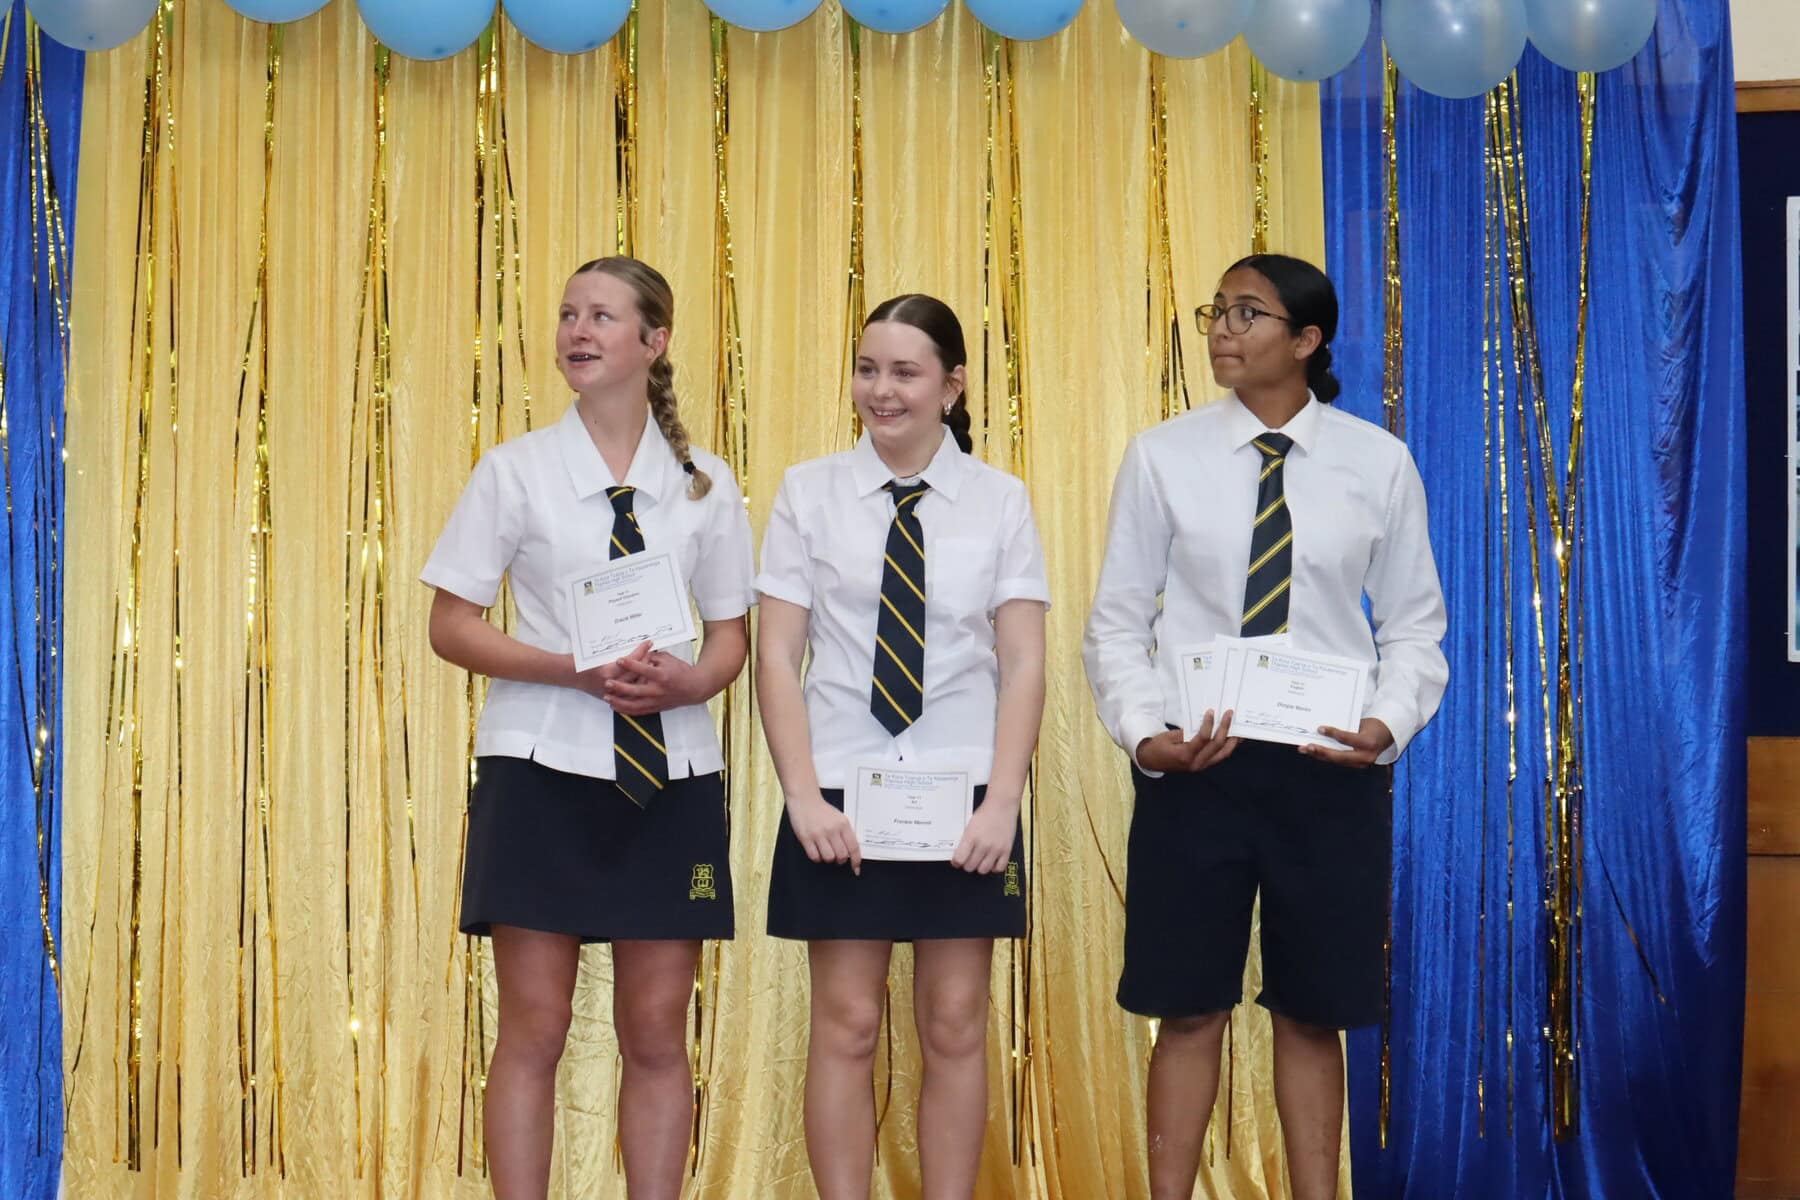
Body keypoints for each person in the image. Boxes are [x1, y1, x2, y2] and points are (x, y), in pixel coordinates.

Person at [1083, 253, 1448, 1200]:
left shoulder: (1377, 462)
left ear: (1307, 339)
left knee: (1312, 1014)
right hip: (1196, 769)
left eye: (1248, 313)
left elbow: (1416, 629)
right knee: (1186, 1010)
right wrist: (1144, 735)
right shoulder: (1163, 456)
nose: (1221, 329)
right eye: (1217, 310)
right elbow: (1117, 623)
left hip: (1328, 772)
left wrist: (1385, 726)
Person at [421, 256, 754, 1200]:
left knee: (657, 1032)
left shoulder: (706, 483)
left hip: (670, 777)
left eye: (602, 316)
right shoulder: (514, 471)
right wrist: (570, 668)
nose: (577, 330)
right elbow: (451, 625)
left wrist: (690, 682)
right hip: (540, 768)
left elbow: (731, 636)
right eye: (569, 314)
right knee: (534, 1028)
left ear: (655, 341)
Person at [755, 294, 1050, 1200]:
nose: (881, 390)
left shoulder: (1000, 500)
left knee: (956, 1023)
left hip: (966, 799)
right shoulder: (808, 492)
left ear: (952, 387)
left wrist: (1002, 804)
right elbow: (777, 654)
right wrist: (803, 796)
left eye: (905, 372)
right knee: (846, 1024)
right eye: (867, 369)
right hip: (841, 794)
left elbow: (1022, 661)